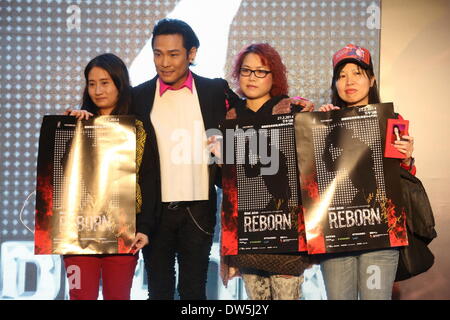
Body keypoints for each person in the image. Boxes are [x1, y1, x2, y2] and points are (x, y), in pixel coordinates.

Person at [130, 18, 239, 300]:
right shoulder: (139, 96)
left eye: (173, 54)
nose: (164, 62)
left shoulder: (214, 90)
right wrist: (81, 117)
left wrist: (290, 106)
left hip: (198, 208)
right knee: (158, 290)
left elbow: (254, 118)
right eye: (158, 53)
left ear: (192, 54)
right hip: (155, 211)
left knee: (194, 291)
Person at [318, 44, 415, 300]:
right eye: (341, 75)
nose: (349, 81)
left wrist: (406, 157)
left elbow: (404, 177)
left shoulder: (391, 119)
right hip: (336, 233)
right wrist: (322, 128)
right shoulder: (323, 121)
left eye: (357, 73)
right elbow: (313, 179)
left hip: (381, 233)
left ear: (371, 79)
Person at [221, 43, 314, 300]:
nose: (252, 77)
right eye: (246, 70)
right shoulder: (230, 117)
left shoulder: (294, 111)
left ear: (274, 76)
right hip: (248, 233)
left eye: (261, 71)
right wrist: (219, 161)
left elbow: (311, 170)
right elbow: (227, 185)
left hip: (287, 234)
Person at [63, 53, 151, 300]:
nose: (97, 90)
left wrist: (144, 227)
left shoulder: (138, 128)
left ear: (119, 84)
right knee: (80, 297)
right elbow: (61, 177)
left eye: (105, 82)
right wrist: (71, 130)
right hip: (78, 234)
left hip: (122, 233)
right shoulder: (75, 125)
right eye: (92, 83)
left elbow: (148, 179)